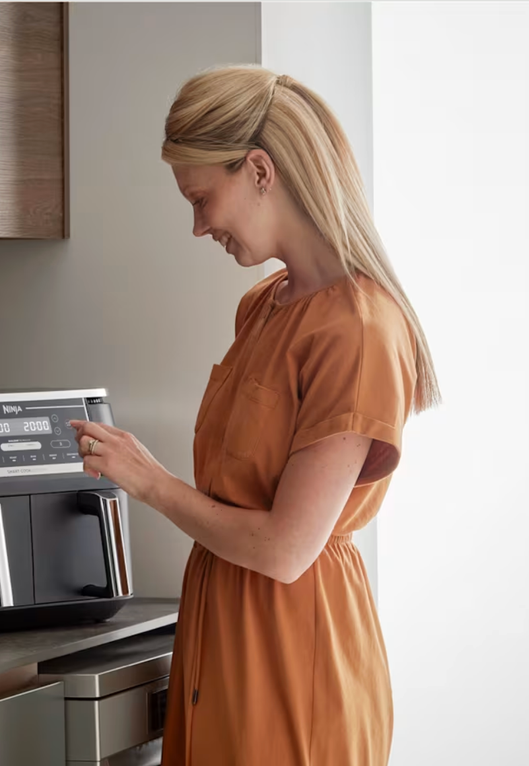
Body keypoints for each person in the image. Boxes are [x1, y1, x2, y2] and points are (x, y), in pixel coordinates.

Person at [69, 66, 440, 766]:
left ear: (261, 169)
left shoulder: (359, 328)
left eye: (203, 198)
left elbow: (285, 549)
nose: (198, 224)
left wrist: (148, 482)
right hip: (222, 648)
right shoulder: (262, 306)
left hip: (296, 657)